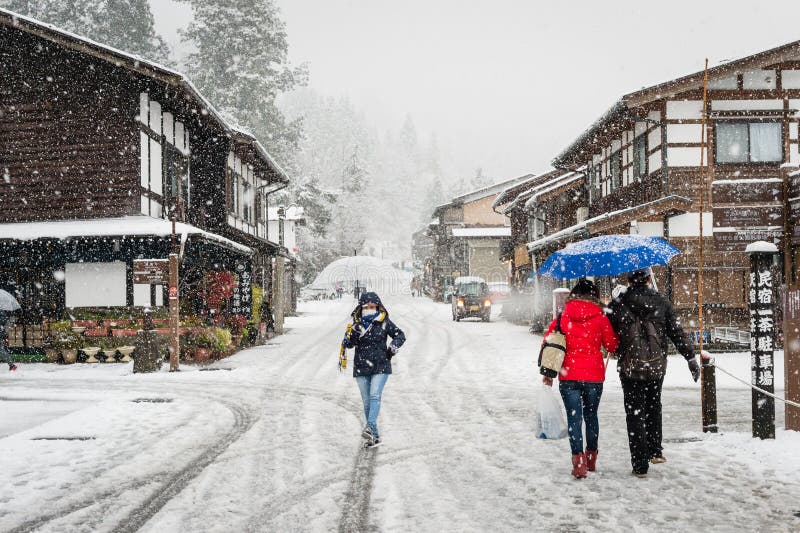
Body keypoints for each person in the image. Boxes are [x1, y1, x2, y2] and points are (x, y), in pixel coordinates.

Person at [607, 269, 700, 478]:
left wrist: (612, 305)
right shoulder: (661, 301)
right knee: (653, 405)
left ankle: (640, 464)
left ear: (629, 281)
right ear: (649, 279)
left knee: (634, 413)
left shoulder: (620, 303)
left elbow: (609, 332)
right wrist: (690, 357)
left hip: (630, 367)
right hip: (656, 365)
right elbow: (676, 331)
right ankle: (655, 450)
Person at [540, 279, 618, 479]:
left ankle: (579, 462)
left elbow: (548, 342)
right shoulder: (600, 317)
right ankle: (591, 458)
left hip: (568, 376)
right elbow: (611, 346)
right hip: (593, 376)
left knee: (575, 419)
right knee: (591, 417)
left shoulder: (562, 317)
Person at [342, 291, 406, 448]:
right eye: (366, 306)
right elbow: (349, 345)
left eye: (372, 306)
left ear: (378, 307)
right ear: (361, 307)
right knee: (366, 403)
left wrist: (393, 347)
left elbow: (400, 335)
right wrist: (352, 335)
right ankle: (375, 436)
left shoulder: (384, 322)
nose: (369, 308)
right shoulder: (355, 324)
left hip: (380, 365)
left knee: (374, 396)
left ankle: (370, 427)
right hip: (361, 366)